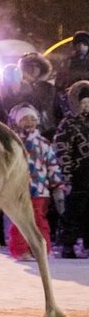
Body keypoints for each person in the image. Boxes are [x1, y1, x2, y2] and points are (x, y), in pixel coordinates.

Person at [5, 103, 64, 261]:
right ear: (17, 122)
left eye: (32, 118)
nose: (29, 122)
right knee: (20, 221)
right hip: (18, 190)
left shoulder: (43, 143)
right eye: (24, 119)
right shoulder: (12, 143)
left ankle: (43, 248)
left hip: (39, 190)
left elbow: (52, 164)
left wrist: (57, 185)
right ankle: (20, 250)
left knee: (40, 220)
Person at [54, 80, 89, 258]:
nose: (87, 107)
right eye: (84, 103)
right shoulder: (69, 123)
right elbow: (62, 149)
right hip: (78, 172)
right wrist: (66, 172)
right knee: (74, 209)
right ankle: (68, 244)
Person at [56, 30, 89, 104]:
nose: (81, 47)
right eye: (78, 44)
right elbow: (60, 79)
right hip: (70, 98)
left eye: (84, 44)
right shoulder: (68, 61)